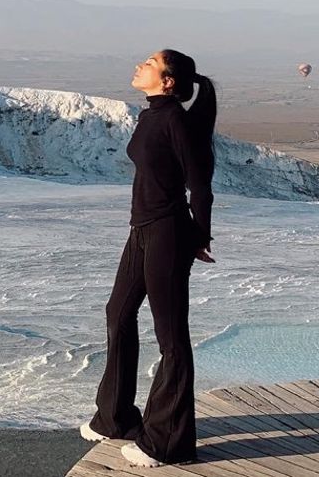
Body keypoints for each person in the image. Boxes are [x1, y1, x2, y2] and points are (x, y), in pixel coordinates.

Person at [81, 49, 217, 468]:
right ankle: (116, 417)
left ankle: (167, 441)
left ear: (168, 80)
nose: (139, 65)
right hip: (141, 230)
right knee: (118, 314)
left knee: (171, 337)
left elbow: (201, 183)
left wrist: (199, 236)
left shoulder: (175, 120)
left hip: (167, 234)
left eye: (150, 63)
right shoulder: (151, 116)